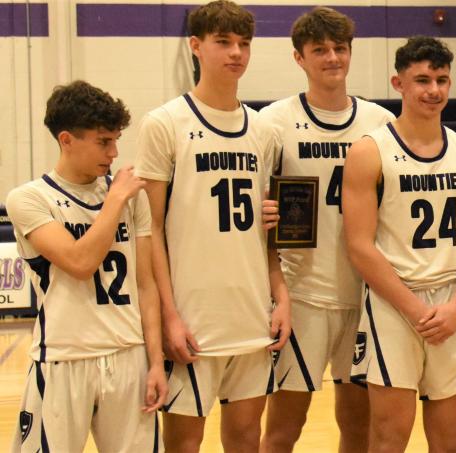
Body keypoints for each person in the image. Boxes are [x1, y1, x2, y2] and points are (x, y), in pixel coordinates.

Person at [135, 1, 292, 451]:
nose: (236, 53)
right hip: (193, 318)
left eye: (244, 43)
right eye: (223, 42)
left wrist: (280, 297)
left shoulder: (263, 130)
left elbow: (266, 234)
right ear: (196, 46)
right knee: (184, 444)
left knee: (246, 439)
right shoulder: (164, 123)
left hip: (250, 315)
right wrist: (168, 315)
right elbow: (151, 234)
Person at [257, 7, 395, 453]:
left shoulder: (380, 122)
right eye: (320, 50)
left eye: (340, 48)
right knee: (283, 429)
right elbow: (254, 209)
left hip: (365, 296)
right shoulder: (273, 122)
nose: (332, 58)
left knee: (357, 426)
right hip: (302, 298)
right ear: (299, 58)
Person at [343, 36, 456, 452]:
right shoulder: (370, 151)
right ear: (398, 83)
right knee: (389, 438)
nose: (434, 90)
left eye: (442, 80)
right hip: (395, 304)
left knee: (450, 440)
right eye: (422, 80)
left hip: (452, 304)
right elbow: (359, 246)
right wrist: (416, 310)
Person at [7, 81, 165, 452]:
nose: (114, 152)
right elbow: (79, 262)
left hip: (129, 356)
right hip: (64, 357)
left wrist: (155, 361)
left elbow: (146, 285)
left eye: (116, 140)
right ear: (67, 140)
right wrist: (113, 203)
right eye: (103, 141)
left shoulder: (130, 196)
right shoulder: (30, 199)